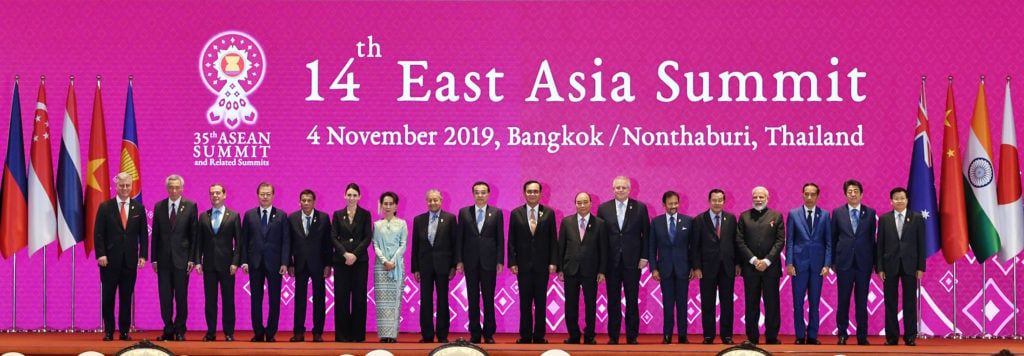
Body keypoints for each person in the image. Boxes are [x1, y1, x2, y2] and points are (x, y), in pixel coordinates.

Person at [95, 172, 148, 341]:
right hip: (108, 261)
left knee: (126, 297)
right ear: (115, 186)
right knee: (108, 297)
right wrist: (101, 254)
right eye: (121, 185)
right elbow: (98, 234)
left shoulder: (138, 208)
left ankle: (124, 331)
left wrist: (143, 256)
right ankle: (109, 331)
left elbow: (144, 235)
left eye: (127, 186)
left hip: (130, 261)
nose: (125, 189)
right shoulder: (105, 207)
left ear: (132, 187)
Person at [596, 176, 650, 345]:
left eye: (623, 187)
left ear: (629, 189)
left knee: (632, 300)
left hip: (633, 262)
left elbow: (646, 235)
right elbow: (600, 238)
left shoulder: (640, 208)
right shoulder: (603, 208)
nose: (620, 190)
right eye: (617, 188)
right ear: (613, 189)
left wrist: (644, 256)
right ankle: (613, 336)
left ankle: (632, 336)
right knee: (612, 300)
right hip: (611, 263)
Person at [507, 181, 558, 344]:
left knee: (541, 302)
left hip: (543, 265)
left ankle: (539, 336)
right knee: (525, 302)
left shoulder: (549, 213)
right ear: (524, 193)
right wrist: (512, 262)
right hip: (522, 265)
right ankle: (525, 335)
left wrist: (553, 262)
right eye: (529, 191)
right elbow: (511, 241)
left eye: (535, 191)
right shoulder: (516, 213)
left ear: (541, 194)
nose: (532, 194)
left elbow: (553, 240)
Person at [150, 174, 199, 341]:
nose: (174, 190)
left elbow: (194, 236)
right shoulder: (159, 206)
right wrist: (154, 259)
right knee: (165, 297)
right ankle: (168, 329)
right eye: (171, 187)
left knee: (181, 297)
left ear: (182, 188)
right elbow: (155, 235)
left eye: (177, 187)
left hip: (182, 260)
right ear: (166, 188)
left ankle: (180, 330)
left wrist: (192, 259)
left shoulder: (191, 206)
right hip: (163, 261)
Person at [240, 182, 291, 342]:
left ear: (273, 196)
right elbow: (244, 240)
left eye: (268, 194)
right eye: (262, 193)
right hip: (254, 263)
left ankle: (270, 333)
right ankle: (258, 332)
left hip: (275, 264)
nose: (265, 196)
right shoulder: (249, 215)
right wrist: (244, 262)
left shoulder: (282, 215)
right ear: (257, 195)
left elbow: (286, 241)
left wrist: (285, 262)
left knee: (274, 299)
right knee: (256, 299)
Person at [456, 181, 504, 344]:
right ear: (473, 194)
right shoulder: (464, 212)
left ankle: (489, 333)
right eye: (477, 192)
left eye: (483, 192)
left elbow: (500, 239)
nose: (480, 195)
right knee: (473, 298)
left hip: (489, 262)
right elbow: (459, 239)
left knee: (489, 298)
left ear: (488, 194)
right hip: (470, 262)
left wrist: (500, 260)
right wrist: (459, 260)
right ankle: (475, 333)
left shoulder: (496, 213)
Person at [735, 186, 784, 345]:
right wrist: (754, 260)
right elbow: (740, 241)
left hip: (771, 268)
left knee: (772, 304)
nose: (758, 199)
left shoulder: (776, 216)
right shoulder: (744, 217)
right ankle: (752, 337)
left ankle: (772, 337)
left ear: (767, 198)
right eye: (755, 197)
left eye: (761, 197)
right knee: (751, 304)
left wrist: (767, 260)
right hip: (751, 268)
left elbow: (780, 241)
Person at [877, 187, 925, 346]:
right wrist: (880, 268)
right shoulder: (884, 219)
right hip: (889, 265)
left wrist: (921, 267)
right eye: (896, 198)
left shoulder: (917, 218)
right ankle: (891, 337)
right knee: (890, 302)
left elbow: (921, 245)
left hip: (910, 266)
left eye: (902, 198)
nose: (899, 201)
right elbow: (880, 245)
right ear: (891, 201)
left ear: (907, 200)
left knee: (910, 302)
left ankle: (910, 336)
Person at [831, 179, 877, 346]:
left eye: (855, 191)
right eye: (849, 191)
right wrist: (832, 262)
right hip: (844, 264)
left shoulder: (870, 213)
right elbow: (833, 238)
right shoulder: (837, 213)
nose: (852, 194)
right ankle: (842, 334)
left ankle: (862, 335)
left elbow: (873, 239)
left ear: (861, 193)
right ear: (845, 194)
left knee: (861, 301)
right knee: (843, 300)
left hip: (864, 264)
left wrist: (875, 264)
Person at [785, 183, 832, 345]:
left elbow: (828, 242)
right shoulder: (793, 214)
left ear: (818, 196)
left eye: (813, 194)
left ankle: (812, 335)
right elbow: (789, 240)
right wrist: (789, 262)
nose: (810, 197)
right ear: (802, 195)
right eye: (807, 194)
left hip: (818, 267)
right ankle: (799, 335)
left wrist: (827, 264)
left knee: (815, 303)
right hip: (798, 266)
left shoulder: (825, 215)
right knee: (798, 303)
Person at [558, 192, 607, 345]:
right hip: (570, 269)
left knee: (590, 304)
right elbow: (561, 247)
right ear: (575, 204)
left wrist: (602, 271)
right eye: (579, 202)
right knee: (570, 304)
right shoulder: (567, 222)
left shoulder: (599, 223)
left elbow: (603, 250)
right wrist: (560, 268)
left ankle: (589, 335)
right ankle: (573, 335)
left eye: (585, 202)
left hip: (591, 270)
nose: (582, 205)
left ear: (591, 203)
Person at [691, 189, 738, 345]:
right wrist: (696, 267)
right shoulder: (699, 220)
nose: (717, 203)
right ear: (709, 201)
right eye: (714, 200)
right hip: (706, 269)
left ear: (724, 202)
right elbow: (695, 246)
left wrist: (737, 263)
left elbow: (735, 243)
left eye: (720, 200)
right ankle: (708, 336)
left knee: (727, 303)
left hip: (727, 268)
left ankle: (727, 336)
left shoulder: (731, 219)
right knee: (707, 303)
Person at [195, 183, 241, 342]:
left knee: (228, 300)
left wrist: (236, 262)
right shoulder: (203, 216)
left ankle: (229, 332)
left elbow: (239, 242)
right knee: (210, 301)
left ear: (224, 195)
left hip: (228, 266)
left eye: (217, 193)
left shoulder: (234, 215)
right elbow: (198, 241)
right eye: (212, 193)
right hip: (208, 265)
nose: (215, 196)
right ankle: (211, 332)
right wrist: (197, 262)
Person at [411, 189, 457, 343]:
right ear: (426, 201)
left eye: (435, 200)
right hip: (425, 267)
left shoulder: (450, 219)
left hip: (444, 267)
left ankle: (442, 335)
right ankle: (427, 335)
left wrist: (453, 266)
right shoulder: (419, 220)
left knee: (443, 300)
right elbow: (415, 246)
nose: (433, 203)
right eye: (430, 200)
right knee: (425, 301)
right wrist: (415, 268)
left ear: (441, 201)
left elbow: (454, 244)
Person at [648, 191, 694, 344]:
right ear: (664, 205)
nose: (673, 206)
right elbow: (652, 247)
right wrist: (653, 269)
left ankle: (682, 336)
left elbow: (692, 247)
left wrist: (693, 267)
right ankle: (667, 335)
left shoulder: (688, 221)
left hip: (683, 270)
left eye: (676, 203)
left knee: (682, 304)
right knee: (667, 304)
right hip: (664, 270)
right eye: (670, 204)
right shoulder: (656, 222)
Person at [287, 189, 332, 342]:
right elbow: (288, 243)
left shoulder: (324, 218)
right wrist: (289, 263)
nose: (306, 203)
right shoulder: (292, 218)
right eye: (303, 200)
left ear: (314, 202)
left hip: (318, 264)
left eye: (309, 200)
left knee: (319, 299)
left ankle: (318, 332)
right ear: (299, 202)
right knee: (299, 299)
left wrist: (328, 264)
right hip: (298, 264)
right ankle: (298, 332)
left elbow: (328, 244)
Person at [331, 183, 372, 342]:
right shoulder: (337, 214)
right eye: (349, 195)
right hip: (341, 262)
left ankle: (357, 335)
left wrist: (354, 255)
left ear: (359, 197)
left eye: (355, 195)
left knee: (359, 298)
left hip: (360, 261)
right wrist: (344, 254)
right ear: (344, 196)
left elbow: (367, 237)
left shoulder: (365, 214)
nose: (352, 198)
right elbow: (333, 236)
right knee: (341, 298)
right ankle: (342, 335)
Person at [373, 191, 407, 343]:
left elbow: (403, 244)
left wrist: (393, 261)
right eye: (385, 203)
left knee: (394, 302)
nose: (387, 206)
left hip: (397, 266)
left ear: (396, 206)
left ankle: (392, 335)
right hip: (381, 267)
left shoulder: (402, 223)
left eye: (390, 203)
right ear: (381, 205)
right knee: (381, 303)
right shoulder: (377, 224)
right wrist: (384, 260)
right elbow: (375, 244)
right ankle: (383, 334)